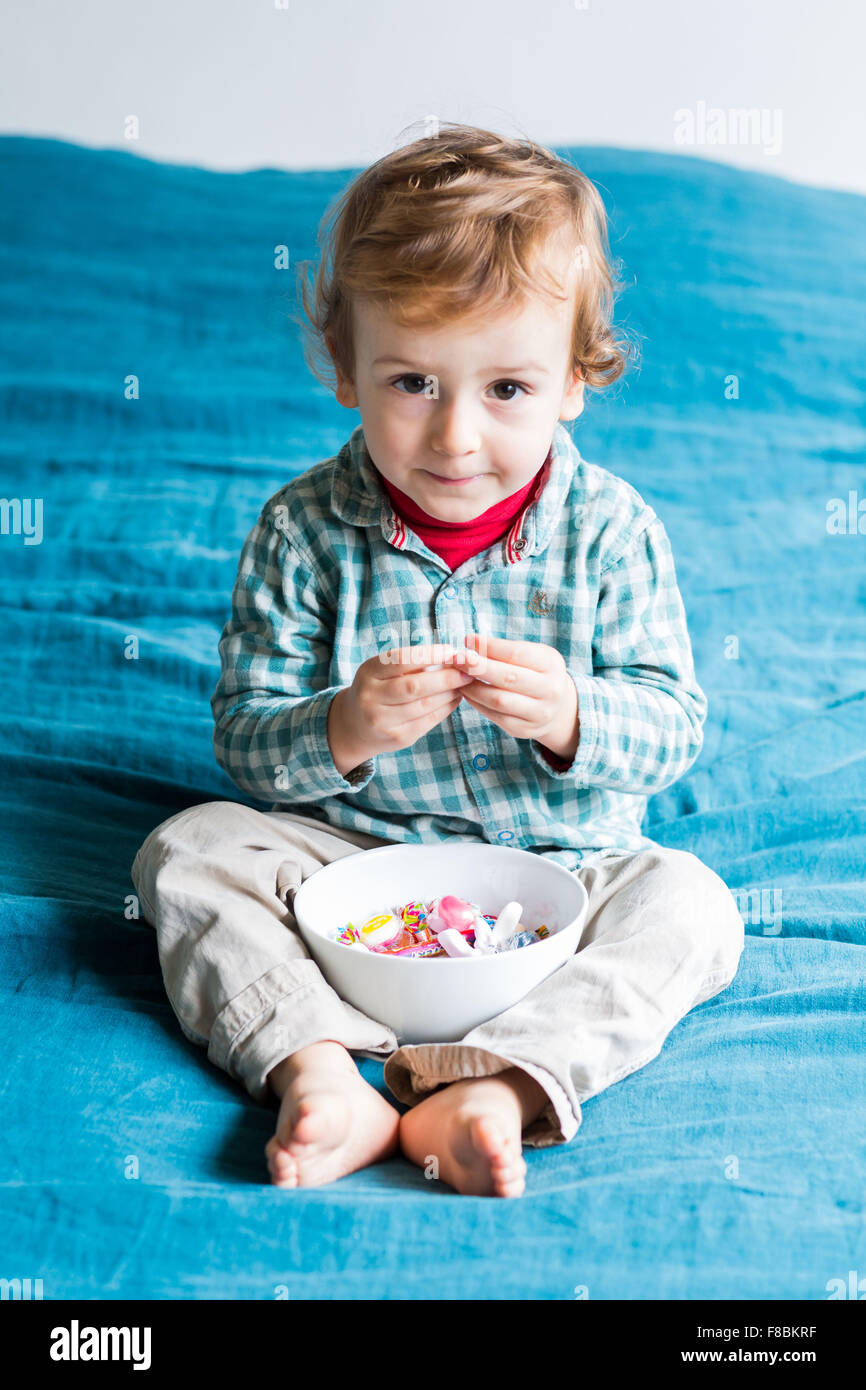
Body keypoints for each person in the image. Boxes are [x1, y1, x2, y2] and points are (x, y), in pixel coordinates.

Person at [131, 122, 744, 1198]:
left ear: (574, 380)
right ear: (346, 370)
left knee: (690, 905)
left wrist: (571, 716)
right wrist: (342, 728)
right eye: (411, 381)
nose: (455, 436)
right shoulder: (300, 529)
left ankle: (495, 1084)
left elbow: (671, 725)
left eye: (505, 389)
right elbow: (243, 740)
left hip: (566, 873)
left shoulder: (612, 531)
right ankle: (318, 1067)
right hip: (345, 867)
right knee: (186, 853)